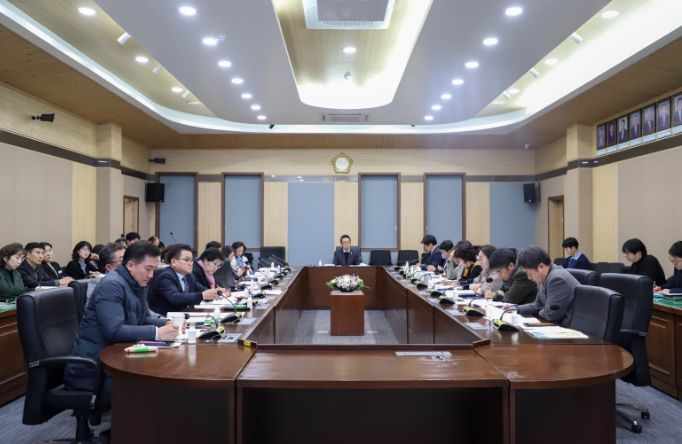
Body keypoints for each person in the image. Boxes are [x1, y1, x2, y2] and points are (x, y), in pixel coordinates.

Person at [64, 241, 177, 408]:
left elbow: (143, 317)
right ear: (130, 265)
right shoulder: (112, 285)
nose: (151, 275)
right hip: (95, 368)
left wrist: (169, 323)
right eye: (148, 269)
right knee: (160, 385)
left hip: (116, 357)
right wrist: (157, 332)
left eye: (154, 269)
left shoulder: (135, 283)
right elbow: (114, 331)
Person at [148, 244, 220, 316]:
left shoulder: (188, 276)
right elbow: (175, 297)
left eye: (192, 260)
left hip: (183, 316)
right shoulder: (166, 276)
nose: (190, 264)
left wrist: (214, 292)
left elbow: (203, 291)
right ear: (173, 262)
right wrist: (203, 295)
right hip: (164, 318)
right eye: (186, 260)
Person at [517, 246, 579, 326]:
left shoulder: (557, 279)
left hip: (569, 327)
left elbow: (551, 314)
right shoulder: (543, 277)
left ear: (541, 267)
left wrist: (541, 310)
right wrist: (515, 309)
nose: (529, 277)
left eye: (529, 274)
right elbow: (537, 305)